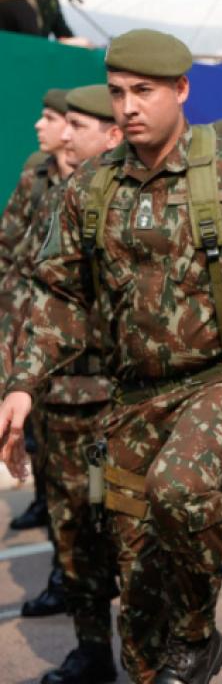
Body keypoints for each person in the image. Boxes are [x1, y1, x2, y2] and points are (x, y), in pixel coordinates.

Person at [0, 28, 222, 684]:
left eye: (144, 91)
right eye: (118, 93)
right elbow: (58, 295)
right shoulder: (92, 187)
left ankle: (196, 636)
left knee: (180, 488)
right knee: (137, 592)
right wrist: (22, 382)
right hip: (130, 399)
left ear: (182, 90)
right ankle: (163, 657)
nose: (129, 106)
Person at [2, 84, 122, 684]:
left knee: (119, 524)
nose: (63, 136)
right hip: (58, 395)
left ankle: (158, 652)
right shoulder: (53, 193)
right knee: (74, 523)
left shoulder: (135, 201)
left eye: (77, 125)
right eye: (63, 123)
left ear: (112, 134)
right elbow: (22, 279)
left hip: (118, 401)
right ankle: (93, 648)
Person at [4, 89, 71, 548]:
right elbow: (9, 245)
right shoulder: (37, 176)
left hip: (71, 333)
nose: (38, 125)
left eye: (49, 117)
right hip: (28, 319)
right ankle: (44, 499)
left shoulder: (96, 181)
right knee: (37, 421)